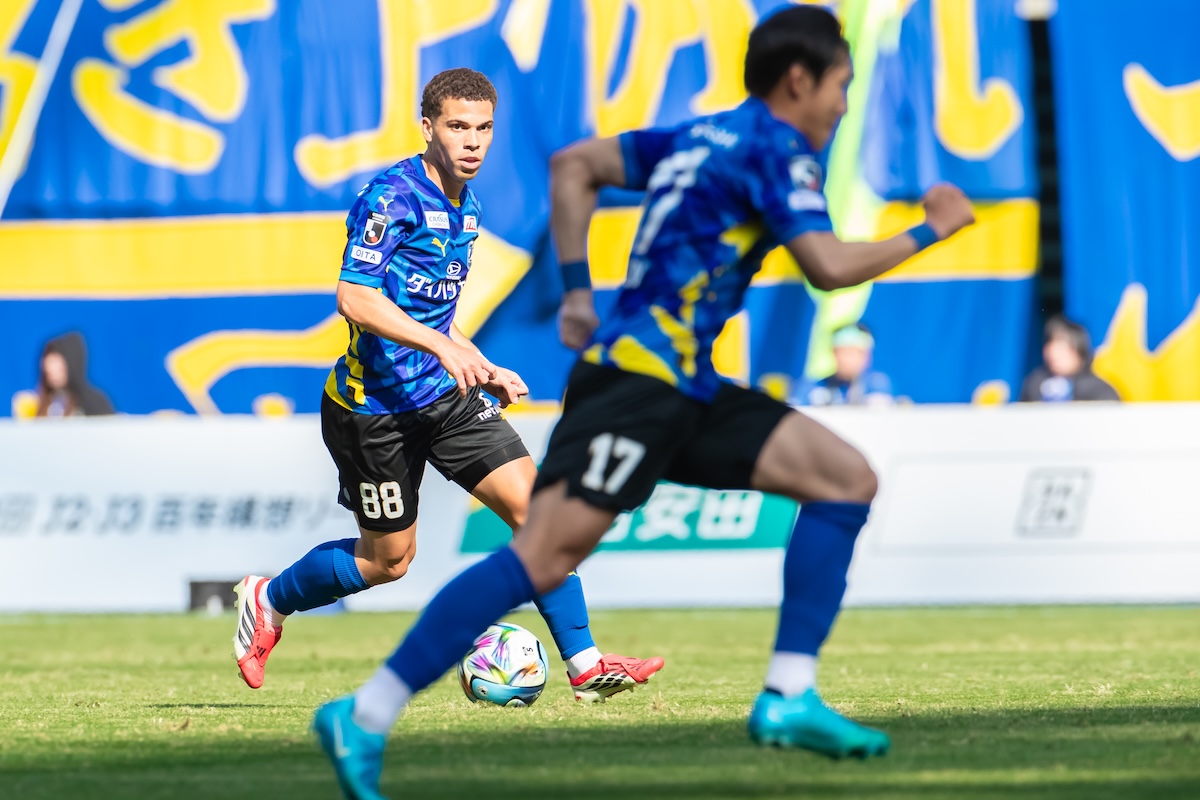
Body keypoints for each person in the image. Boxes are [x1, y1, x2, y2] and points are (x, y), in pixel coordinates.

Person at [312, 9, 974, 796]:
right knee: (541, 555)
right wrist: (931, 230)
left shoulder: (700, 136)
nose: (842, 104)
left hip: (682, 383)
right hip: (636, 387)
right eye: (841, 86)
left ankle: (789, 695)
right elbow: (827, 267)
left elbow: (575, 166)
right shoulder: (776, 150)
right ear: (800, 81)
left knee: (845, 479)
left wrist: (577, 294)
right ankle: (366, 713)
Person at [231, 68, 662, 703]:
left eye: (484, 128)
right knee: (387, 561)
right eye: (458, 127)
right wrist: (442, 347)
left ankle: (586, 666)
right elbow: (355, 297)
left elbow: (433, 312)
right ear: (428, 126)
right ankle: (269, 599)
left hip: (445, 398)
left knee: (540, 514)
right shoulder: (391, 198)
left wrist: (477, 360)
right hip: (373, 410)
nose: (473, 141)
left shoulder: (467, 206)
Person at [1018, 315, 1120, 402]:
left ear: (1079, 351)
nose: (1054, 354)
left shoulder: (1099, 389)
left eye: (1061, 348)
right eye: (1050, 347)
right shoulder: (1034, 383)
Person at [791, 322, 894, 406]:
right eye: (844, 352)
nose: (847, 359)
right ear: (833, 353)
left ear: (867, 356)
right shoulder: (813, 388)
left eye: (855, 353)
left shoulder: (876, 385)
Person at [34, 332, 115, 417]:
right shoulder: (40, 404)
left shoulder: (93, 402)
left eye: (59, 370)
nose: (53, 376)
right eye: (48, 373)